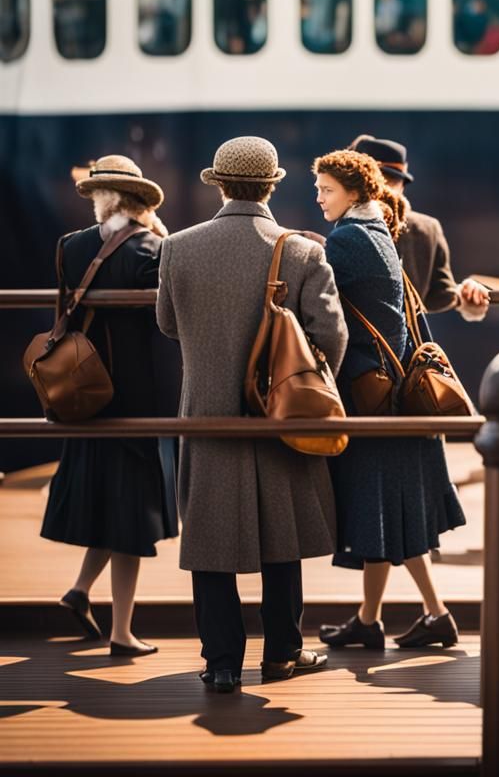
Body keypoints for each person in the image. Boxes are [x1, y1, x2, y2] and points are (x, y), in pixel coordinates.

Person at [157, 136, 345, 692]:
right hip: (279, 416)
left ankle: (220, 664)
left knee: (210, 542)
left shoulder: (179, 247)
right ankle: (284, 653)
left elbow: (167, 324)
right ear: (272, 186)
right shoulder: (304, 251)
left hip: (206, 412)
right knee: (280, 537)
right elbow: (332, 335)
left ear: (217, 184)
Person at [313, 150, 466, 651]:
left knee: (382, 507)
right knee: (389, 510)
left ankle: (420, 614)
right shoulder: (377, 231)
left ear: (353, 193)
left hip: (369, 394)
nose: (318, 197)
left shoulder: (348, 240)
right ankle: (379, 618)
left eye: (327, 190)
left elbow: (319, 299)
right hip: (393, 395)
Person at [41, 155, 176, 657]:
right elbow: (167, 322)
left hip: (84, 394)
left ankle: (79, 591)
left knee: (110, 505)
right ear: (140, 202)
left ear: (103, 199)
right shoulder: (153, 249)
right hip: (136, 400)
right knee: (132, 516)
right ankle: (121, 631)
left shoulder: (71, 247)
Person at [348, 136, 489, 318]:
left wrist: (466, 294)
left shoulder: (342, 218)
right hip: (406, 342)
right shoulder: (428, 228)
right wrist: (464, 296)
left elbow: (442, 294)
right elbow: (441, 295)